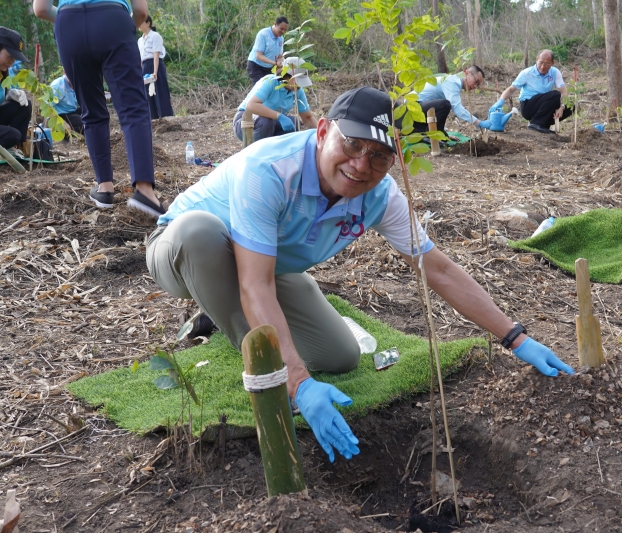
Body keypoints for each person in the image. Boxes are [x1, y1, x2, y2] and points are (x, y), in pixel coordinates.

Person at [146, 87, 574, 463]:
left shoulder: (379, 196)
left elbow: (437, 268)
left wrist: (514, 337)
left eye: (379, 156)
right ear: (322, 131)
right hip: (182, 252)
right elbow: (253, 285)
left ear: (393, 160)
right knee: (199, 234)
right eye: (351, 144)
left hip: (266, 265)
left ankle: (229, 317)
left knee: (339, 357)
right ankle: (255, 360)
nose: (360, 164)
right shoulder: (270, 171)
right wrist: (296, 382)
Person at [33, 0, 166, 217]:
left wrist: (75, 21)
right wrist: (121, 25)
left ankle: (104, 188)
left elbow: (41, 9)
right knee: (134, 108)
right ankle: (144, 190)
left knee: (91, 111)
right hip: (113, 19)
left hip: (69, 23)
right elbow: (141, 11)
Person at [233, 57, 316, 142]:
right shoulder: (271, 82)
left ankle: (277, 152)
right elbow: (251, 105)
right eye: (297, 80)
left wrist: (321, 133)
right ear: (286, 76)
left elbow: (308, 118)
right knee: (266, 122)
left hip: (271, 123)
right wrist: (279, 116)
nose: (299, 85)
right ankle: (258, 151)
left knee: (294, 122)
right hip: (246, 121)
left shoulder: (297, 91)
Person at [490, 50, 572, 134]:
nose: (543, 66)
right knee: (555, 95)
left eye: (547, 64)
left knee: (570, 106)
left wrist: (562, 107)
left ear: (552, 63)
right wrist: (500, 101)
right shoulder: (527, 73)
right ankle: (535, 124)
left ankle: (543, 125)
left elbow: (564, 92)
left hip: (544, 105)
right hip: (528, 106)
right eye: (540, 63)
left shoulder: (555, 72)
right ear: (536, 60)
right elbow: (511, 89)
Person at [407, 66, 490, 133]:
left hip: (420, 107)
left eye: (478, 85)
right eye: (476, 81)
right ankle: (432, 135)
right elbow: (457, 108)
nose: (475, 86)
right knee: (445, 104)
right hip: (412, 106)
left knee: (444, 105)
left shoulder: (454, 82)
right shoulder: (453, 82)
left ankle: (434, 133)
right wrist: (478, 122)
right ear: (467, 73)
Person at [0, 27, 32, 151]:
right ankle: (7, 148)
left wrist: (10, 94)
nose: (11, 62)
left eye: (14, 58)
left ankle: (16, 148)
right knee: (12, 135)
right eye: (9, 56)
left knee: (24, 105)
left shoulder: (3, 73)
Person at [138, 15, 174, 120]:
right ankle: (152, 118)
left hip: (155, 64)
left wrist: (155, 71)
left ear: (148, 23)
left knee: (160, 91)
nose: (139, 25)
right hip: (145, 66)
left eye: (141, 22)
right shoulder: (140, 40)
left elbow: (156, 54)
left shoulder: (155, 36)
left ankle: (166, 117)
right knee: (148, 94)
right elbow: (140, 57)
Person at [246, 16, 288, 85]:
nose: (283, 31)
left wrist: (285, 62)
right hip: (256, 66)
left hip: (269, 68)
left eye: (285, 30)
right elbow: (259, 56)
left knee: (271, 87)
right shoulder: (263, 34)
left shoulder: (281, 38)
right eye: (281, 29)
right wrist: (274, 63)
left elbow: (280, 56)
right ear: (275, 24)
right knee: (261, 88)